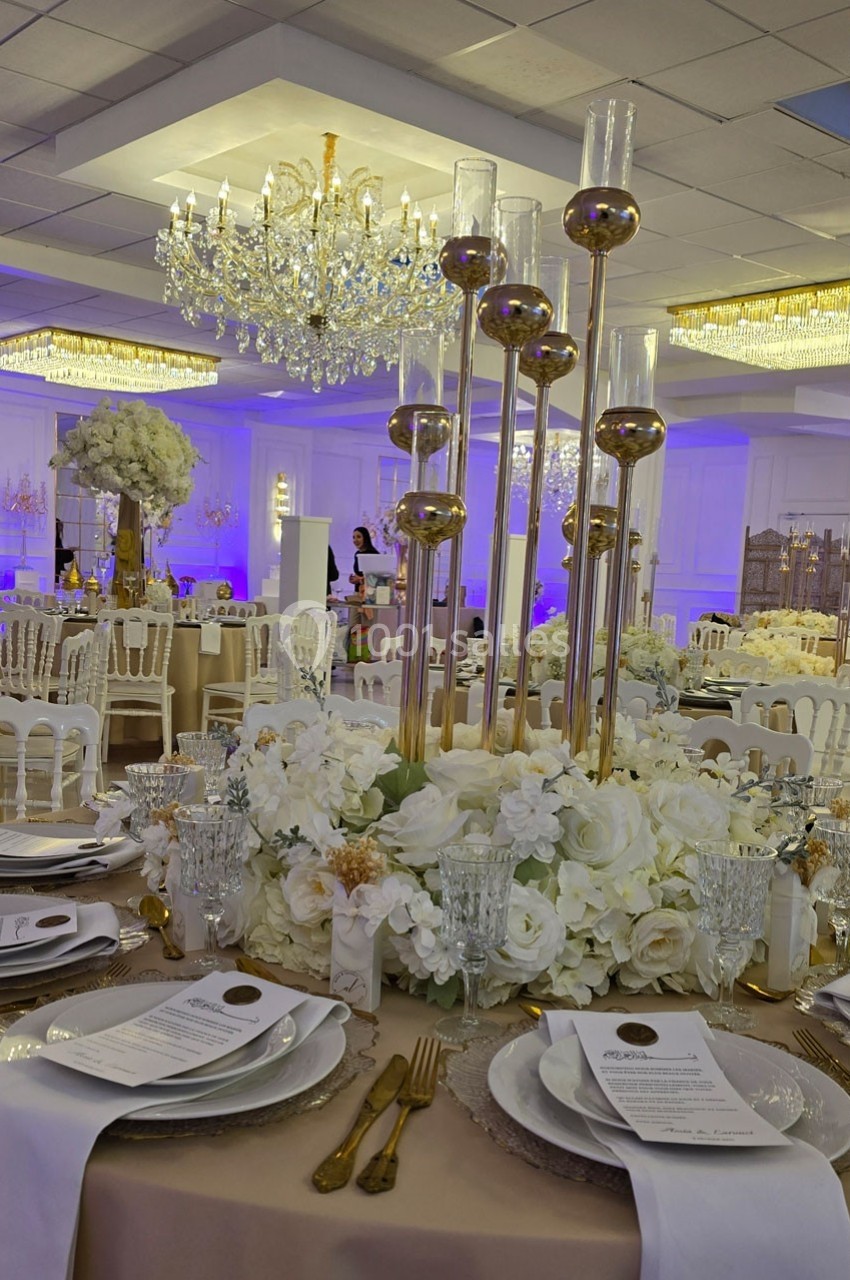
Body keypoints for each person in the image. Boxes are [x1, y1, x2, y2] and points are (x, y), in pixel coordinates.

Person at [349, 525, 378, 590]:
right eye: (354, 537)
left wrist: (360, 579)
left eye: (358, 537)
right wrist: (353, 579)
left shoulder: (373, 554)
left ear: (365, 538)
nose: (355, 540)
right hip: (358, 589)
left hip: (370, 591)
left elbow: (376, 577)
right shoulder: (357, 554)